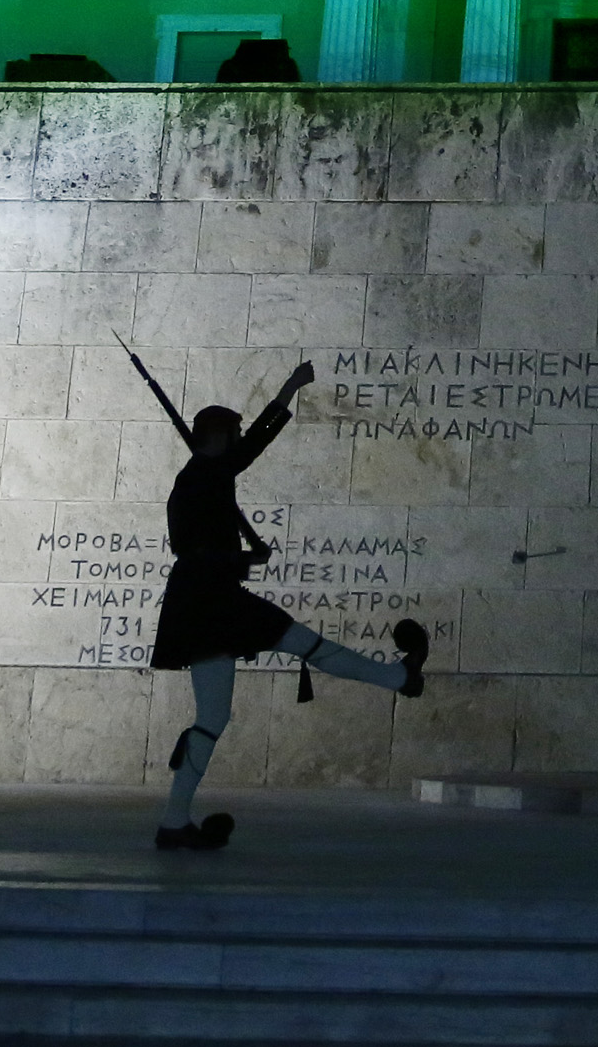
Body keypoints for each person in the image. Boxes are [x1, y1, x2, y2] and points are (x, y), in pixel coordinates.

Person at [147, 359, 429, 850]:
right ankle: (402, 678)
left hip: (203, 604)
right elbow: (198, 539)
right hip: (211, 603)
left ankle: (174, 822)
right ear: (220, 435)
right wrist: (290, 389)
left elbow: (202, 539)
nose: (238, 441)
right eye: (232, 433)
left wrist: (241, 556)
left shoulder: (202, 477)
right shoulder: (203, 476)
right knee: (304, 643)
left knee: (214, 717)